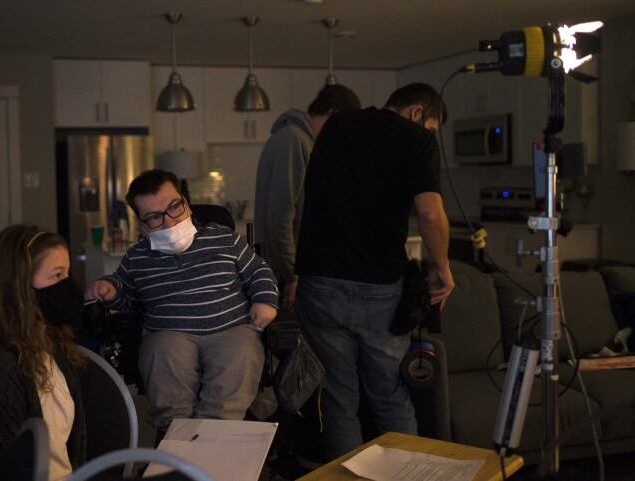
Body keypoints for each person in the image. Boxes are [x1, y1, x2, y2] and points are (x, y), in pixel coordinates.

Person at [294, 83, 455, 460]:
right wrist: (442, 268)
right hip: (378, 285)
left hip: (320, 280)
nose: (429, 134)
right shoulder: (417, 139)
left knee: (337, 397)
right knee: (389, 393)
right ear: (418, 112)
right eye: (431, 126)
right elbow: (431, 214)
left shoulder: (335, 125)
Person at [85, 169, 279, 432]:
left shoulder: (224, 238)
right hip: (169, 334)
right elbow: (126, 303)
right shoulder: (137, 257)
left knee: (240, 356)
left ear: (185, 203)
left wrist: (265, 300)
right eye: (154, 217)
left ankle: (213, 433)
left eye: (174, 207)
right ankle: (178, 434)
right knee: (162, 356)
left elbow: (259, 271)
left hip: (231, 329)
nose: (169, 222)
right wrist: (111, 290)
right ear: (142, 225)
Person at [0, 225, 87, 481]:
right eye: (56, 275)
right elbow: (6, 466)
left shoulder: (52, 346)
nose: (67, 286)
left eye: (67, 274)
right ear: (19, 285)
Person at [254, 84, 361, 310]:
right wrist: (292, 274)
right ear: (334, 113)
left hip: (288, 270)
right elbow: (280, 215)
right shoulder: (293, 140)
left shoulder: (302, 140)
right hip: (283, 274)